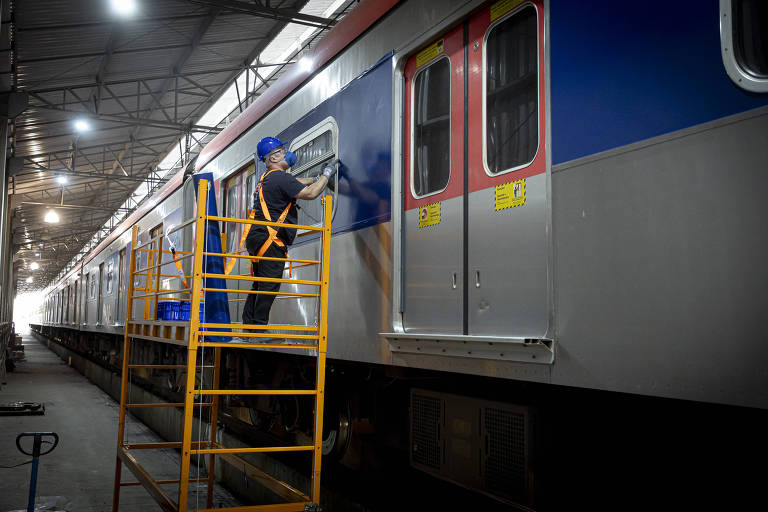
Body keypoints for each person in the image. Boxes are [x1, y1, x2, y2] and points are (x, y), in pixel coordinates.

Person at [242, 136, 338, 326]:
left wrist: (314, 178)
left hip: (258, 237)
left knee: (260, 283)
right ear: (274, 158)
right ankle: (258, 329)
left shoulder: (268, 178)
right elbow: (310, 193)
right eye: (282, 152)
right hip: (270, 239)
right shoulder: (280, 177)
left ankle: (250, 325)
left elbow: (295, 182)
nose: (288, 155)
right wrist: (327, 175)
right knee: (269, 284)